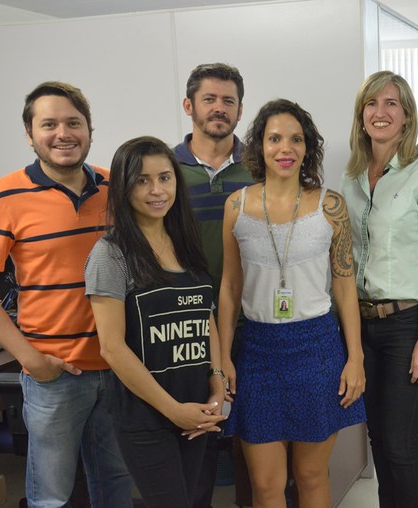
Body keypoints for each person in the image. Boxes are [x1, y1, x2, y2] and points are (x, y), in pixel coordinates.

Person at [0, 81, 133, 507]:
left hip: (118, 367)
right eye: (49, 124)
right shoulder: (3, 196)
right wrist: (32, 360)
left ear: (89, 130)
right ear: (30, 133)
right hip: (54, 376)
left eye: (74, 123)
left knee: (115, 487)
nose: (63, 134)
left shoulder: (116, 187)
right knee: (51, 497)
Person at [218, 99, 366, 508]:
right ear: (259, 146)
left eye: (296, 139)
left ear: (307, 147)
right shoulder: (237, 206)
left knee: (311, 475)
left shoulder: (330, 206)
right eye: (275, 139)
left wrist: (355, 357)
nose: (286, 148)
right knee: (266, 484)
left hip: (317, 348)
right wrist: (223, 358)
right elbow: (230, 287)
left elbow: (345, 287)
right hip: (257, 352)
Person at [84, 136, 227, 507]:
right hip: (147, 416)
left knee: (194, 500)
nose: (157, 190)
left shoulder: (185, 241)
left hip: (197, 407)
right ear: (123, 187)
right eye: (142, 180)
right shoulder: (111, 253)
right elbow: (112, 348)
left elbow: (205, 317)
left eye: (165, 178)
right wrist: (173, 411)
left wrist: (217, 383)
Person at [342, 70, 418, 507]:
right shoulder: (352, 178)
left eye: (392, 103)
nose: (381, 111)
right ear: (361, 115)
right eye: (372, 103)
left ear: (407, 115)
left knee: (400, 442)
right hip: (361, 324)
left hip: (407, 324)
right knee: (378, 439)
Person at [173, 62, 253, 507]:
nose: (219, 108)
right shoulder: (165, 171)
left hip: (252, 325)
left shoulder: (261, 167)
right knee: (197, 441)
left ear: (240, 109)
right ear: (189, 106)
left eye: (228, 101)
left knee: (255, 445)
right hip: (188, 329)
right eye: (209, 99)